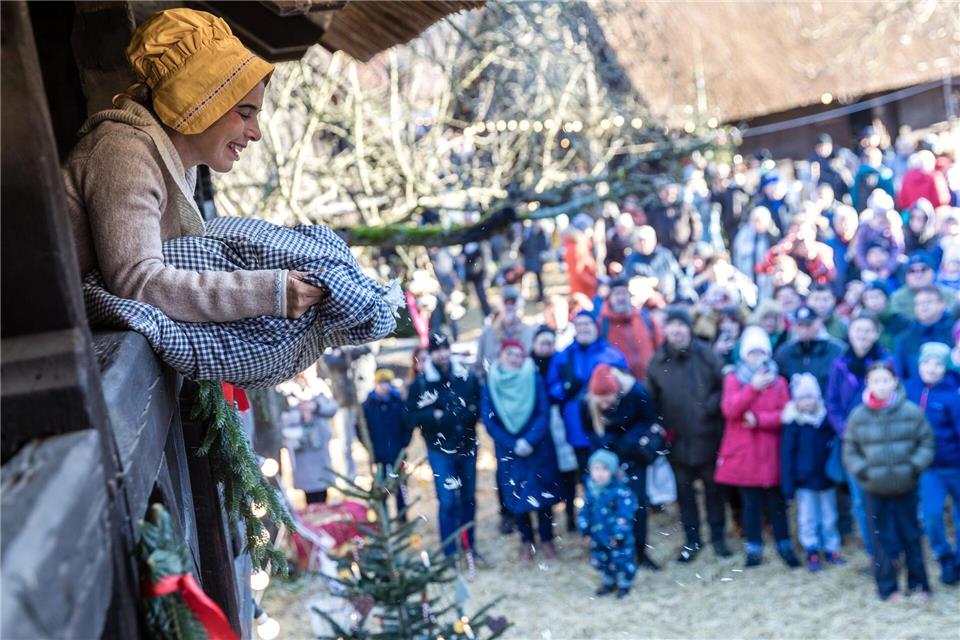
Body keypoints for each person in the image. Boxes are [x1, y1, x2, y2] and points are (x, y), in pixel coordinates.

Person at [62, 8, 326, 323]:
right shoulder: (123, 152)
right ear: (198, 101)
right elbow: (139, 283)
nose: (255, 133)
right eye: (244, 113)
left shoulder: (165, 160)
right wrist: (271, 293)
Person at [843, 362, 934, 602]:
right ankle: (887, 588)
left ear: (894, 382)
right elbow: (850, 449)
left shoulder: (911, 411)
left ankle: (918, 586)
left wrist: (914, 466)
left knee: (911, 536)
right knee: (880, 539)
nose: (881, 386)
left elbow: (926, 441)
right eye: (876, 381)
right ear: (868, 384)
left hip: (906, 486)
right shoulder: (859, 416)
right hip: (874, 488)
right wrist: (864, 471)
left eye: (886, 380)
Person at [646, 306, 728, 562]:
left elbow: (723, 386)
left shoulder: (706, 355)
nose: (677, 330)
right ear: (666, 329)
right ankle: (692, 541)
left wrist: (709, 407)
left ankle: (718, 539)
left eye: (681, 325)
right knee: (685, 496)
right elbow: (652, 401)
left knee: (714, 492)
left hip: (708, 437)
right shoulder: (657, 362)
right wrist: (660, 425)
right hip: (677, 442)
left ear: (689, 328)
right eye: (672, 326)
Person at [715, 326, 798, 568]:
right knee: (750, 503)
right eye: (752, 352)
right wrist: (753, 388)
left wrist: (760, 420)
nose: (757, 357)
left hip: (771, 450)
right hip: (745, 452)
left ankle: (784, 543)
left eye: (761, 352)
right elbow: (730, 409)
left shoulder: (780, 381)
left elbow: (785, 413)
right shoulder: (733, 379)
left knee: (776, 501)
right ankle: (754, 546)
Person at [404, 333, 483, 558]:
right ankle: (449, 551)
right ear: (431, 354)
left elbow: (479, 402)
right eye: (437, 350)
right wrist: (433, 415)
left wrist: (469, 412)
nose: (442, 354)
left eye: (445, 349)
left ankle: (469, 547)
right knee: (448, 502)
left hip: (467, 445)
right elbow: (410, 417)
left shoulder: (466, 376)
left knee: (468, 498)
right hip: (440, 450)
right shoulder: (421, 382)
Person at [582, 364, 667, 570]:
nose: (604, 406)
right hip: (606, 461)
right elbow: (589, 432)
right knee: (606, 506)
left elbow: (649, 420)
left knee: (637, 505)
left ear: (616, 393)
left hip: (634, 455)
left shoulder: (636, 392)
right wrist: (604, 456)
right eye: (599, 402)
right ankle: (611, 552)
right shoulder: (586, 404)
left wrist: (627, 442)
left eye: (608, 400)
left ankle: (640, 551)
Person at [481, 340, 560, 561]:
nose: (515, 358)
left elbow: (543, 412)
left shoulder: (533, 378)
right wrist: (512, 443)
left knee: (542, 496)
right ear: (502, 355)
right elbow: (489, 419)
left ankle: (547, 539)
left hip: (537, 446)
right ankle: (527, 542)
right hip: (509, 450)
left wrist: (529, 440)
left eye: (519, 354)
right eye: (510, 354)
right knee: (518, 496)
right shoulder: (492, 382)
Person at [825, 313, 892, 553]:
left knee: (886, 498)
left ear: (876, 333)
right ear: (850, 333)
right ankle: (876, 555)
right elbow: (831, 402)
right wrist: (846, 431)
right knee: (860, 503)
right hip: (853, 444)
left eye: (867, 331)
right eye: (857, 330)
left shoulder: (886, 361)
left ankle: (892, 550)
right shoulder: (840, 363)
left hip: (883, 443)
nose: (862, 336)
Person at [905, 342, 960, 586]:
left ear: (945, 368)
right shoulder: (910, 391)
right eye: (927, 362)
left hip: (955, 466)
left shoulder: (952, 394)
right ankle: (943, 554)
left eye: (938, 363)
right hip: (930, 469)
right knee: (932, 514)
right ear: (919, 365)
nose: (932, 368)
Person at [781, 373, 846, 572]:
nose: (807, 402)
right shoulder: (793, 425)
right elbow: (786, 457)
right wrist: (788, 486)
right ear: (796, 401)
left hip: (826, 479)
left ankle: (831, 548)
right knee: (808, 518)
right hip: (804, 482)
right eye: (802, 398)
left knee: (829, 516)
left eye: (810, 397)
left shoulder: (825, 422)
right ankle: (811, 549)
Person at [531, 326, 581, 530]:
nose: (547, 348)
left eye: (550, 343)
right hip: (538, 423)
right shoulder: (528, 365)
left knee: (568, 470)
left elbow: (568, 385)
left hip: (560, 420)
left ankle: (570, 514)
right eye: (543, 343)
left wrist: (557, 392)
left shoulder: (561, 360)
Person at [577, 449, 638, 599]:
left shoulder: (621, 491)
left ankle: (624, 585)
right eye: (596, 469)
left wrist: (618, 535)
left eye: (604, 469)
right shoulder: (590, 491)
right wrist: (585, 530)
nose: (600, 473)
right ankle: (608, 582)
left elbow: (625, 515)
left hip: (617, 538)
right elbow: (585, 512)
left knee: (622, 560)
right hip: (598, 536)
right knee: (602, 560)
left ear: (612, 471)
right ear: (590, 470)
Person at [360, 369, 411, 517]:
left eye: (387, 383)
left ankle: (403, 519)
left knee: (402, 487)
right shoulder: (368, 406)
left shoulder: (398, 403)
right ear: (376, 384)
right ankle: (383, 519)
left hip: (397, 452)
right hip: (378, 455)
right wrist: (369, 448)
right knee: (380, 488)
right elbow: (361, 429)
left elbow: (407, 425)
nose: (384, 387)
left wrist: (404, 443)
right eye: (381, 383)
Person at [597, 277, 663, 381]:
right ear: (609, 298)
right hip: (620, 385)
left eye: (624, 293)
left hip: (650, 381)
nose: (621, 298)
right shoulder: (602, 323)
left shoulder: (645, 317)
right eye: (616, 294)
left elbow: (660, 346)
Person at [774, 305, 847, 393]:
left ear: (819, 323)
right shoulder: (784, 353)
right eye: (800, 325)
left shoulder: (836, 350)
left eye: (808, 325)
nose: (804, 330)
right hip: (794, 405)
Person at [893, 286, 955, 383]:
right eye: (919, 303)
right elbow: (901, 375)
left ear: (942, 304)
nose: (923, 306)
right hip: (914, 395)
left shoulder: (954, 333)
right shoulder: (905, 338)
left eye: (928, 302)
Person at [474, 285, 535, 382]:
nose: (509, 306)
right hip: (494, 385)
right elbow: (478, 365)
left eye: (513, 302)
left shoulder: (529, 332)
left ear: (519, 304)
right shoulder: (487, 334)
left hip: (522, 384)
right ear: (500, 304)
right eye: (506, 302)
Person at [623, 226, 690, 303]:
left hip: (669, 301)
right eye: (640, 241)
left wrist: (684, 296)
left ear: (654, 240)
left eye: (645, 240)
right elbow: (625, 282)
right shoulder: (631, 260)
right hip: (642, 305)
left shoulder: (665, 255)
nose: (643, 243)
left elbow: (680, 277)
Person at [647, 182, 703, 264]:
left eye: (673, 192)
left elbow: (696, 227)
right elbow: (650, 229)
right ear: (661, 194)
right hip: (663, 252)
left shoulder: (686, 207)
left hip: (684, 252)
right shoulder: (656, 210)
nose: (670, 195)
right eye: (667, 192)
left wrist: (691, 245)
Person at [889, 252, 954, 321]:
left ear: (933, 272)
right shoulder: (897, 298)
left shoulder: (947, 295)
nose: (918, 275)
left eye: (923, 269)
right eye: (912, 271)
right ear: (906, 275)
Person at [733, 206, 777, 301]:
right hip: (747, 271)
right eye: (754, 220)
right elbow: (737, 252)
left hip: (766, 276)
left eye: (759, 220)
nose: (756, 223)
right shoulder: (744, 233)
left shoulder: (772, 235)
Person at [859, 282, 908, 350]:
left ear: (887, 298)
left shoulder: (901, 321)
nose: (873, 302)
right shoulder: (862, 322)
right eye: (868, 298)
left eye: (876, 297)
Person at [563, 214, 599, 302]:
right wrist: (594, 283)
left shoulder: (581, 245)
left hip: (583, 290)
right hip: (583, 291)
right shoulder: (578, 247)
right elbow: (579, 272)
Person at [852, 147, 895, 211]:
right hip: (880, 210)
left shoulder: (858, 173)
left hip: (862, 210)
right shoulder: (886, 175)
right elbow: (890, 194)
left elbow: (854, 195)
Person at [520, 220, 550, 301]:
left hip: (537, 259)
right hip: (530, 258)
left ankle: (540, 295)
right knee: (526, 277)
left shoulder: (541, 234)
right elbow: (523, 246)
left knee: (538, 278)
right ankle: (525, 294)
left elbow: (545, 247)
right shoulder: (528, 233)